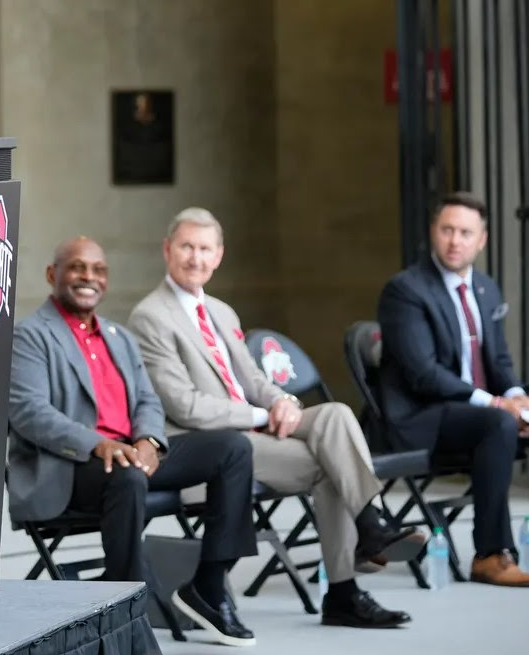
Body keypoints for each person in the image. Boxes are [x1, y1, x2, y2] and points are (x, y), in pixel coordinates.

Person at [128, 207, 417, 630]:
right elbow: (184, 406)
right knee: (329, 467)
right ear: (167, 250)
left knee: (334, 415)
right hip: (207, 446)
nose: (196, 258)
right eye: (187, 247)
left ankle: (366, 534)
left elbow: (252, 377)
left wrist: (282, 401)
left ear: (219, 255)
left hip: (253, 428)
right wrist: (262, 413)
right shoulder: (150, 317)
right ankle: (347, 585)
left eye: (205, 249)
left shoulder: (222, 312)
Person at [9, 237, 260, 647]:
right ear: (53, 275)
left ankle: (209, 587)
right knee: (126, 476)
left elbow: (147, 399)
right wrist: (97, 444)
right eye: (77, 268)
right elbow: (29, 413)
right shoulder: (31, 336)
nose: (89, 277)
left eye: (98, 269)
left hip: (132, 459)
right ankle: (130, 617)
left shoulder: (118, 336)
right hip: (70, 467)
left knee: (232, 449)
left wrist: (149, 441)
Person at [377, 191, 529, 586]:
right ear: (433, 232)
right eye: (447, 230)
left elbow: (497, 361)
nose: (454, 240)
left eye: (465, 232)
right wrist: (498, 406)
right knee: (497, 425)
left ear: (482, 240)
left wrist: (515, 397)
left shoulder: (485, 288)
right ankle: (490, 554)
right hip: (422, 416)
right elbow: (424, 375)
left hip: (478, 411)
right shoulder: (406, 290)